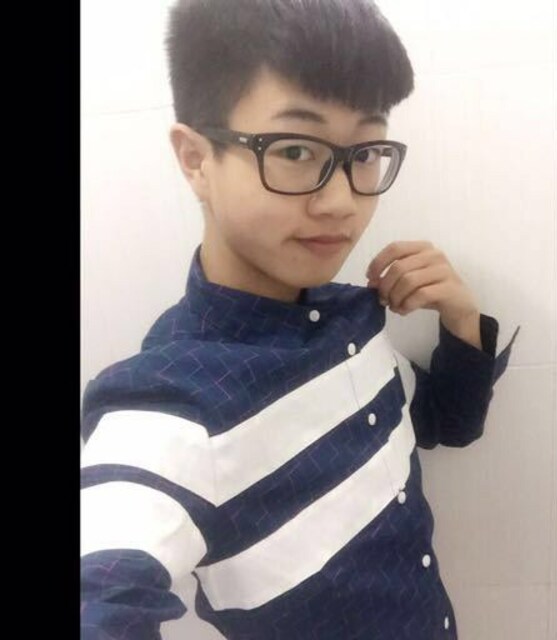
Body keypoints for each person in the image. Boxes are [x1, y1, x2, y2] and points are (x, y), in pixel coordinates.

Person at [80, 1, 519, 638]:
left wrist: (460, 316)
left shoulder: (356, 321)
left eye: (365, 152)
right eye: (293, 149)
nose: (341, 202)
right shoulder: (169, 407)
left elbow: (447, 426)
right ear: (196, 159)